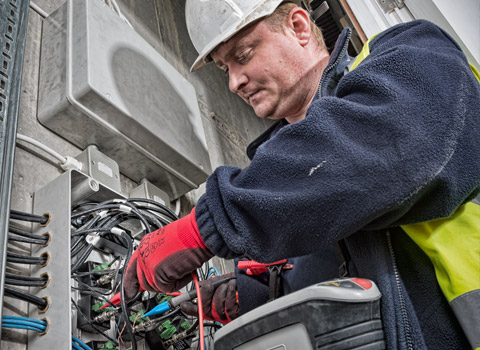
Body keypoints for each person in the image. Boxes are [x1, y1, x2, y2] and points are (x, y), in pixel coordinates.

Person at [124, 1, 480, 349]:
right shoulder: (288, 189)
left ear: (298, 27)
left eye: (243, 55)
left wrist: (203, 229)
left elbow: (382, 153)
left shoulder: (416, 53)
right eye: (223, 68)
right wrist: (245, 296)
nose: (234, 82)